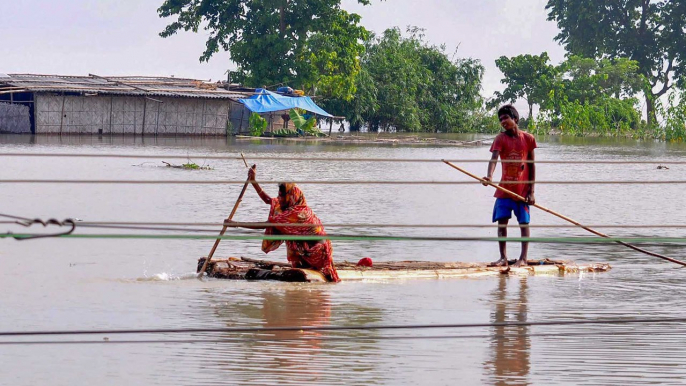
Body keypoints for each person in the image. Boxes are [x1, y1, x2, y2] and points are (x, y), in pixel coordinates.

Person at [227, 166, 340, 282]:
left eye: (282, 196)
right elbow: (268, 200)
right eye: (279, 195)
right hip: (308, 250)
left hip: (318, 254)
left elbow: (267, 224)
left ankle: (308, 265)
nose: (279, 199)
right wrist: (253, 182)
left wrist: (235, 223)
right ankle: (303, 263)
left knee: (288, 235)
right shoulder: (288, 207)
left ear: (291, 197)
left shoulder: (298, 214)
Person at [482, 105, 537, 267]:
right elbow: (494, 158)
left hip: (522, 191)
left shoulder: (528, 139)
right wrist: (489, 176)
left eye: (506, 118)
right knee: (502, 222)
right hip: (504, 189)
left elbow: (532, 166)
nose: (503, 122)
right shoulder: (500, 139)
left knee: (524, 223)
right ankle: (503, 258)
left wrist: (531, 192)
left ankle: (523, 259)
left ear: (515, 119)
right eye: (500, 120)